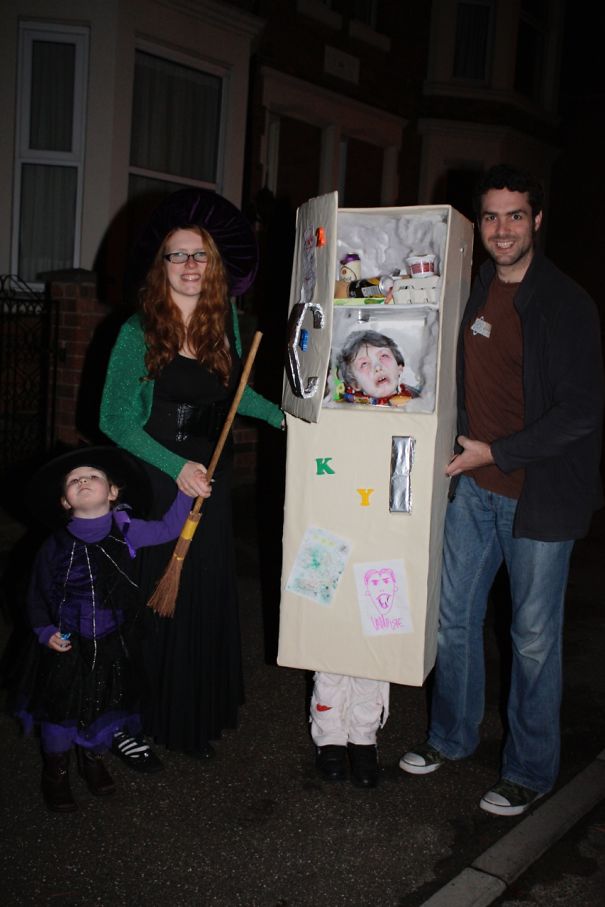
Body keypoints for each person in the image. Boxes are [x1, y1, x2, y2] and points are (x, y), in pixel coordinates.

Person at [399, 163, 604, 815]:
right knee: (452, 618)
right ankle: (451, 737)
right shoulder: (475, 287)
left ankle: (528, 770)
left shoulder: (566, 303)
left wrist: (500, 452)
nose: (502, 228)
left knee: (532, 637)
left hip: (539, 496)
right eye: (491, 216)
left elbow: (581, 410)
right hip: (473, 486)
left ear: (536, 220)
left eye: (515, 215)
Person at [99, 188, 284, 759]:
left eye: (198, 254)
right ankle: (134, 718)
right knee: (152, 598)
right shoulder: (138, 331)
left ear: (213, 264)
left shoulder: (221, 324)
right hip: (158, 481)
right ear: (161, 265)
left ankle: (189, 716)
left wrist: (285, 418)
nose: (188, 264)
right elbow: (114, 419)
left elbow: (234, 395)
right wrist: (176, 468)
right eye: (177, 254)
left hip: (211, 480)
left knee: (199, 593)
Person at [12, 446, 207, 813]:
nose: (83, 481)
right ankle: (56, 772)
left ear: (113, 492)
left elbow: (169, 528)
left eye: (93, 476)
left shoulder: (127, 529)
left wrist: (187, 491)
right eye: (74, 480)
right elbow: (35, 593)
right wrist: (43, 631)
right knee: (60, 713)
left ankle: (92, 759)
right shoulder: (54, 545)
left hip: (112, 643)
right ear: (65, 501)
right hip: (66, 645)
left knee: (105, 705)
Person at [336, 329, 420, 406]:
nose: (378, 367)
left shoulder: (419, 399)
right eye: (364, 364)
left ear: (399, 367)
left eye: (384, 356)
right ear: (355, 384)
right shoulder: (347, 410)